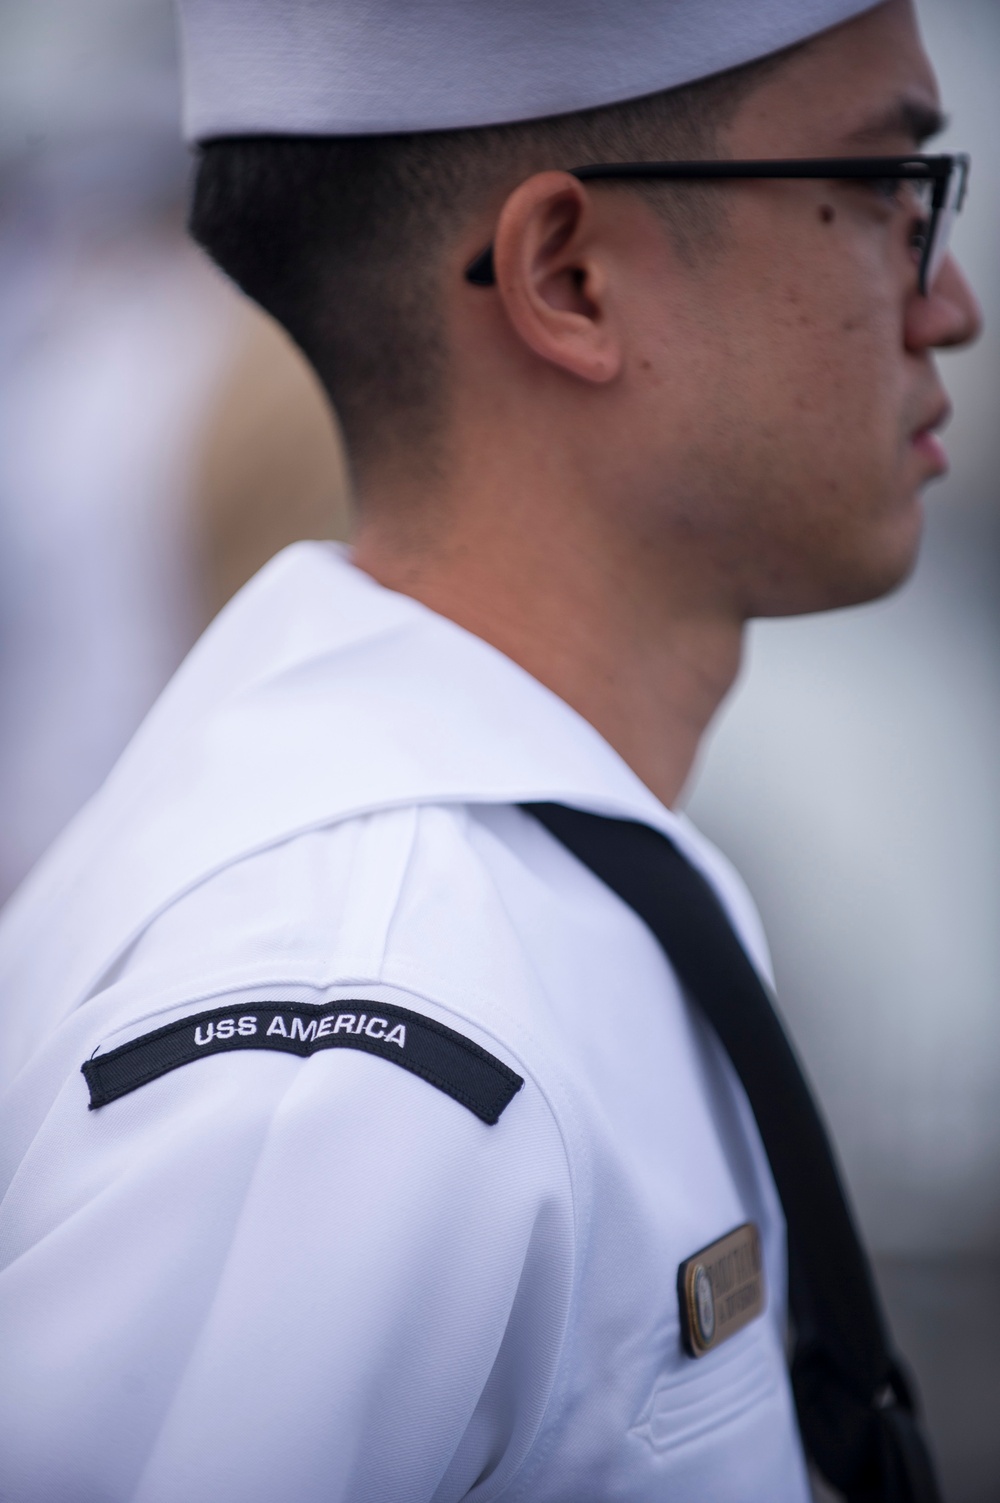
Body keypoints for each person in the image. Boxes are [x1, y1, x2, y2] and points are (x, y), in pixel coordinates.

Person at [0, 1, 981, 1500]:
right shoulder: (360, 1050)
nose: (951, 299)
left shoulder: (516, 902)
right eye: (888, 190)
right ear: (569, 279)